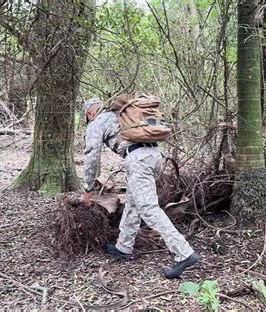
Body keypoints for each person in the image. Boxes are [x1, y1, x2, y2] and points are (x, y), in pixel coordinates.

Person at [81, 97, 199, 279]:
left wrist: (88, 189)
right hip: (154, 155)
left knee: (149, 208)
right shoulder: (120, 115)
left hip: (139, 159)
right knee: (134, 202)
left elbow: (91, 155)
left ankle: (184, 253)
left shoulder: (97, 122)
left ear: (90, 113)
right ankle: (124, 246)